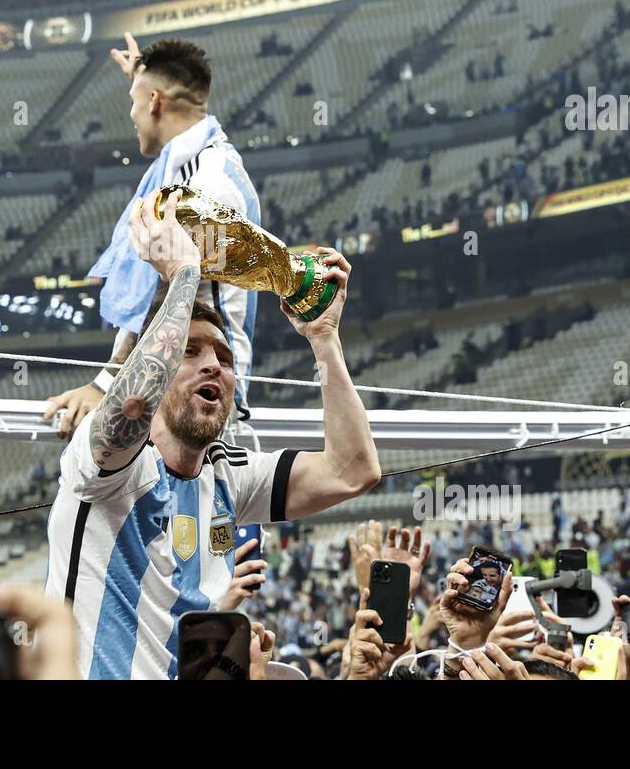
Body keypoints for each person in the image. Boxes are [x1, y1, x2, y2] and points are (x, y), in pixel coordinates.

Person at [43, 194, 380, 678]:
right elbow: (134, 403)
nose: (213, 365)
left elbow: (353, 470)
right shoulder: (106, 468)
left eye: (224, 358)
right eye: (189, 350)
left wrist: (324, 340)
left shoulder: (226, 474)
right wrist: (182, 275)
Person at [45, 34, 261, 438]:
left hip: (201, 413)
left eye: (133, 100)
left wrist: (105, 386)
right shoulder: (191, 167)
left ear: (155, 102)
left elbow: (166, 291)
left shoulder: (207, 184)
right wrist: (142, 77)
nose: (131, 114)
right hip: (175, 396)